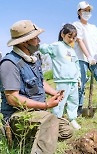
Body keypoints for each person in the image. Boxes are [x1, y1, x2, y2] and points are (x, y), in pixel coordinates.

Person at [0, 20, 73, 153]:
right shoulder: (9, 64)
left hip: (36, 113)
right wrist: (45, 105)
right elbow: (12, 98)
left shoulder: (33, 58)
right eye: (35, 38)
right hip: (17, 116)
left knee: (66, 130)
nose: (39, 40)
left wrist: (54, 93)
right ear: (24, 42)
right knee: (49, 121)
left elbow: (40, 81)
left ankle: (33, 136)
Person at [39, 24, 81, 130]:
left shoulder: (72, 50)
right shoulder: (57, 46)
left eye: (73, 37)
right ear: (63, 34)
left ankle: (72, 119)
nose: (71, 39)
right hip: (62, 79)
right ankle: (56, 119)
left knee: (74, 100)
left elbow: (76, 64)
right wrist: (38, 45)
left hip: (73, 80)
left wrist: (78, 78)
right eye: (69, 36)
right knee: (60, 101)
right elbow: (44, 49)